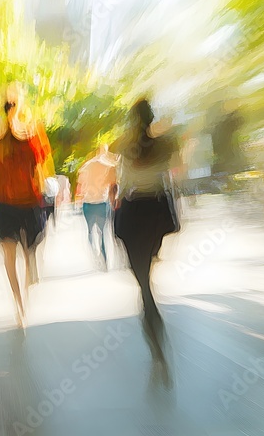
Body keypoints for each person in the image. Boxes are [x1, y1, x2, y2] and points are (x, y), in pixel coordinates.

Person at [112, 98, 180, 384]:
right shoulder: (165, 144)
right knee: (146, 270)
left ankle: (150, 316)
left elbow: (124, 184)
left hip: (133, 211)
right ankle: (151, 313)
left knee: (141, 277)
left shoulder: (124, 146)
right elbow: (172, 176)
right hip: (156, 210)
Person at [0, 83, 54, 326]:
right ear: (21, 105)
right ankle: (27, 287)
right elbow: (42, 166)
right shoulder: (33, 132)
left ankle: (19, 307)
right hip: (28, 202)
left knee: (9, 256)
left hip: (4, 203)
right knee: (28, 250)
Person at [77, 144, 117, 271]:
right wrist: (113, 200)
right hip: (101, 203)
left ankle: (95, 253)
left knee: (89, 231)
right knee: (103, 231)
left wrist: (79, 198)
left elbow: (80, 184)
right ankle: (104, 257)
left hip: (88, 203)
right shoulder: (109, 166)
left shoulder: (86, 166)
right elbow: (113, 185)